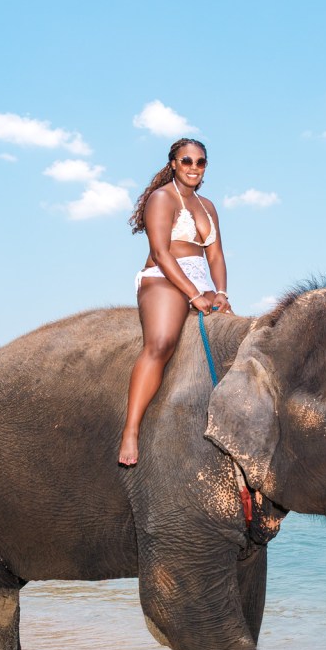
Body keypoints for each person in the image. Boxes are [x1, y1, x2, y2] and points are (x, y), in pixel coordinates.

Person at [118, 138, 231, 466]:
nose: (193, 167)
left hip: (202, 281)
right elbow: (161, 253)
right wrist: (193, 295)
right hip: (164, 277)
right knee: (162, 343)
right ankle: (131, 431)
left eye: (200, 162)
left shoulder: (208, 205)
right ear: (173, 164)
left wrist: (220, 293)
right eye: (186, 161)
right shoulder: (161, 198)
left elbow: (217, 254)